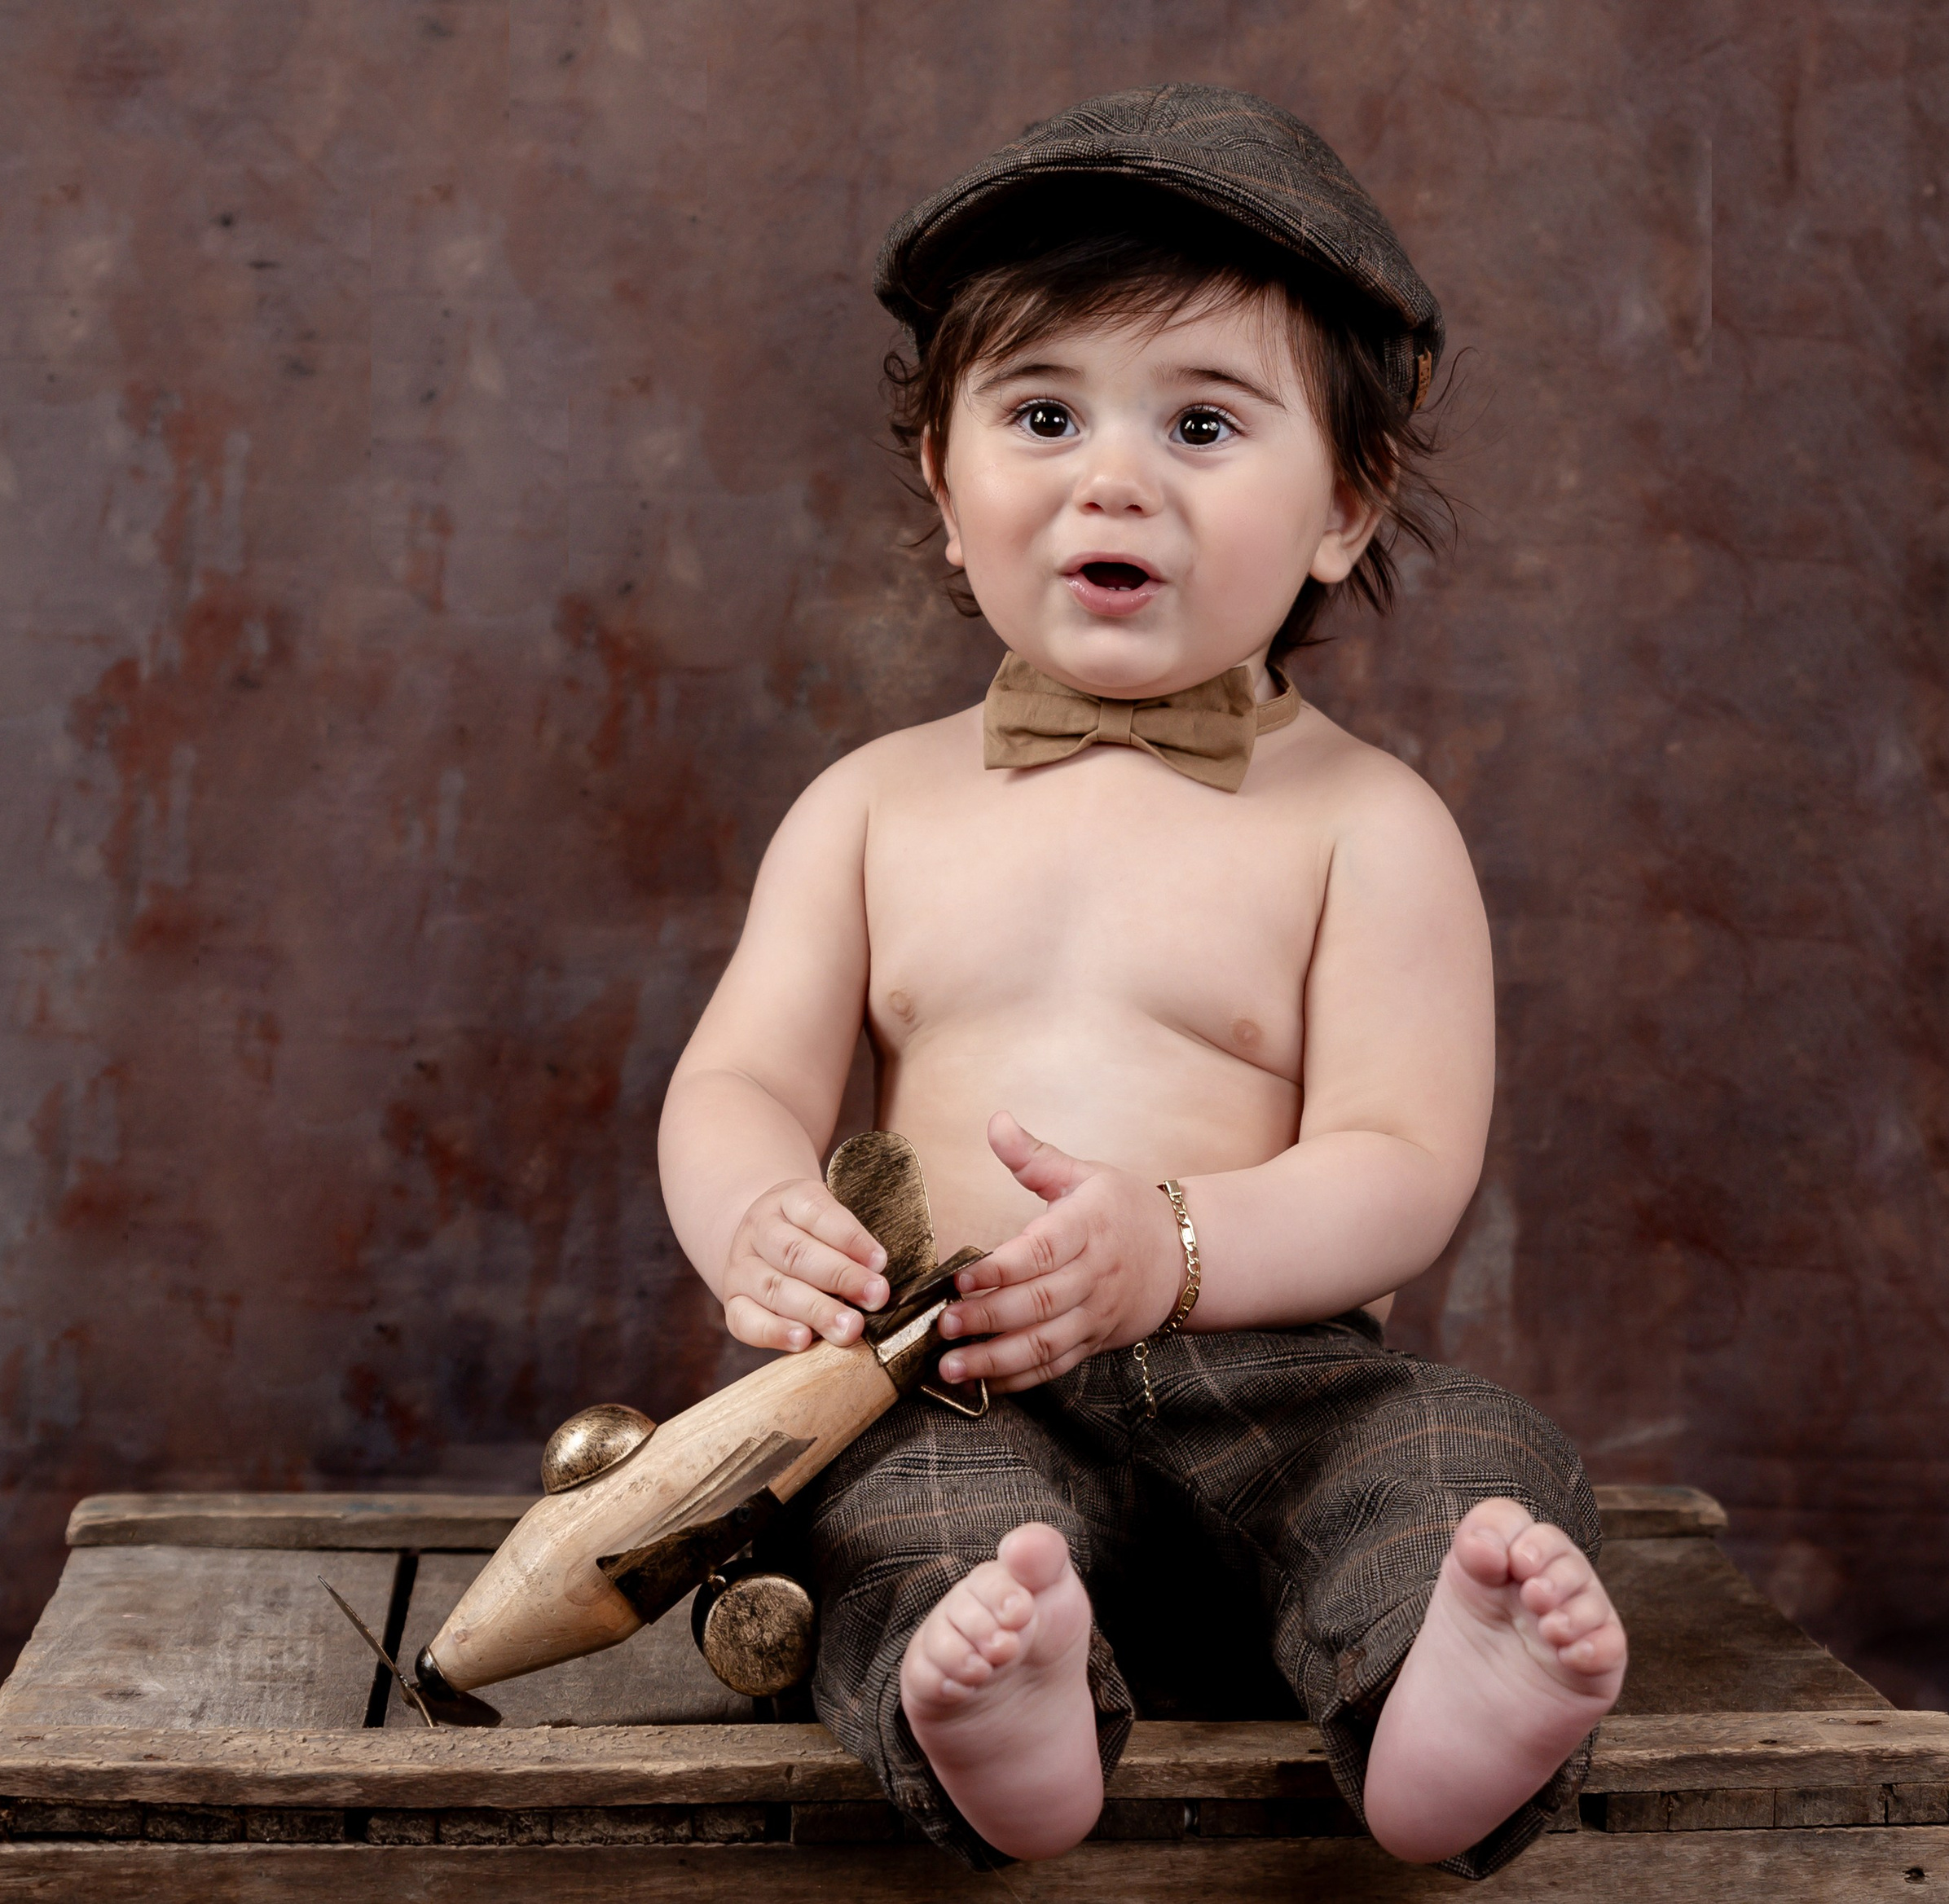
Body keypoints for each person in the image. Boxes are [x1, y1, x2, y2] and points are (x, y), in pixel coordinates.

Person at [657, 84, 1626, 1878]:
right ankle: (1002, 1701)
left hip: (1273, 1380)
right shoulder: (868, 807)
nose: (1113, 475)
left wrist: (1168, 1245)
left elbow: (1404, 1157)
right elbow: (738, 1081)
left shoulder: (1367, 824)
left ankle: (1441, 1696)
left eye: (1198, 422)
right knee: (896, 1522)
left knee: (1465, 1448)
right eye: (1042, 413)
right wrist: (755, 1214)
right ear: (945, 490)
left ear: (1343, 502)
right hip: (950, 1376)